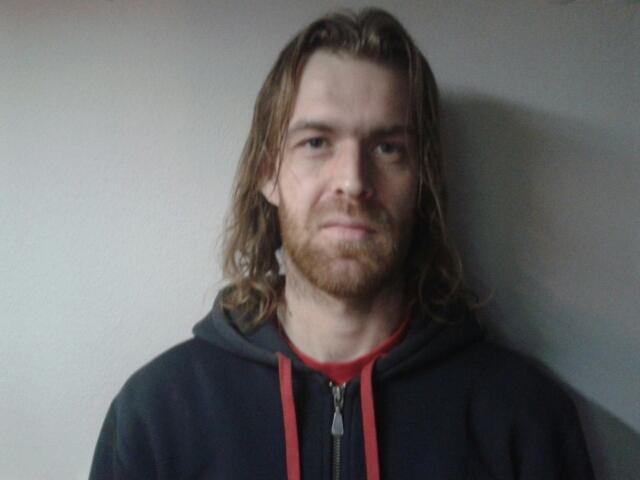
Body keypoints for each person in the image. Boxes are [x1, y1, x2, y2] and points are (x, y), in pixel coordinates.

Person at [89, 8, 594, 480]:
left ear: (423, 179)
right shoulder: (155, 416)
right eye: (316, 143)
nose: (353, 181)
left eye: (388, 148)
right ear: (267, 173)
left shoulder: (525, 418)